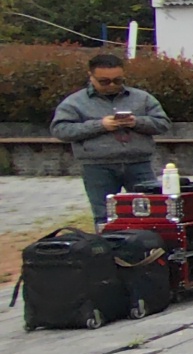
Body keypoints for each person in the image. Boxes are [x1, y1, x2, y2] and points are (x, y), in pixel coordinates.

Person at [51, 53, 172, 229]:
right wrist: (100, 125)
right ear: (91, 76)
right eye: (104, 82)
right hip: (97, 167)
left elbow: (163, 123)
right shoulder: (74, 103)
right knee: (105, 218)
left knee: (151, 213)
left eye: (118, 80)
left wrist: (136, 122)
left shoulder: (142, 98)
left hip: (139, 164)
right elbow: (60, 130)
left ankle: (149, 246)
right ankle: (108, 246)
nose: (112, 85)